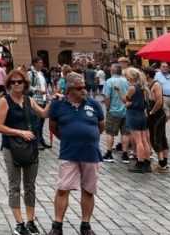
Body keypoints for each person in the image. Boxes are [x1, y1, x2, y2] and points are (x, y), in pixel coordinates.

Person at [0, 69, 51, 235]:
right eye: (13, 82)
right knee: (14, 186)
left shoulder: (29, 100)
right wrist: (20, 132)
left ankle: (31, 221)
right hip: (12, 148)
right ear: (8, 84)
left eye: (20, 82)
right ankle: (19, 223)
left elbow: (43, 114)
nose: (16, 84)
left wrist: (52, 101)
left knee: (30, 186)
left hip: (30, 147)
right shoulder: (5, 101)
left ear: (25, 84)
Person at [47, 73, 104, 235]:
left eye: (84, 86)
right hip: (68, 152)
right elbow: (53, 127)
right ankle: (57, 225)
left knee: (88, 189)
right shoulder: (58, 106)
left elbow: (101, 126)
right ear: (70, 89)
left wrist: (88, 136)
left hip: (90, 153)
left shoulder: (94, 104)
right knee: (63, 188)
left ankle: (85, 225)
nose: (84, 90)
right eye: (80, 88)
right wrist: (69, 137)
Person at [100, 63, 129, 164]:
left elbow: (107, 97)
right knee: (125, 133)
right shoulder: (126, 81)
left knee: (110, 133)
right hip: (126, 110)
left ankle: (109, 153)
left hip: (113, 110)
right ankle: (125, 154)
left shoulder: (109, 81)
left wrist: (108, 108)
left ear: (112, 71)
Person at [123, 67, 150, 173]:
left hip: (133, 114)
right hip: (142, 115)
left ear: (130, 77)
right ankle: (147, 163)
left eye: (126, 76)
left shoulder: (132, 88)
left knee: (138, 141)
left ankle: (140, 163)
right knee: (144, 140)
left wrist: (127, 103)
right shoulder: (143, 87)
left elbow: (126, 100)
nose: (126, 78)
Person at [144, 67, 170, 173]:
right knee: (160, 137)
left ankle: (162, 163)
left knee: (156, 138)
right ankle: (163, 162)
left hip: (157, 115)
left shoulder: (156, 84)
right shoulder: (148, 85)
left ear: (147, 75)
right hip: (153, 114)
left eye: (143, 73)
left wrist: (151, 112)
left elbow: (159, 102)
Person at [28, 58, 51, 149]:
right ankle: (37, 142)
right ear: (34, 63)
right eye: (40, 62)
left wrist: (48, 97)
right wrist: (37, 90)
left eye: (42, 62)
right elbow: (28, 86)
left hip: (43, 100)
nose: (41, 64)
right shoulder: (30, 73)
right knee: (36, 123)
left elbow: (45, 87)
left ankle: (41, 140)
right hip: (36, 100)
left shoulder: (41, 74)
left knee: (41, 123)